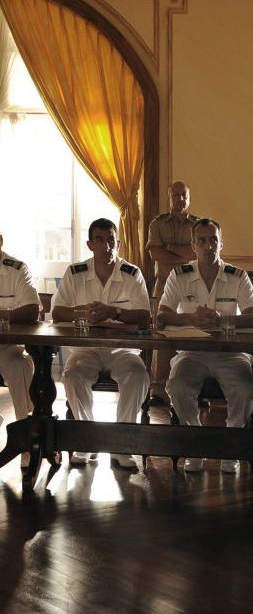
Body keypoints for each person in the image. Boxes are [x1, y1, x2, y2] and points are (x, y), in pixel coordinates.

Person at [158, 218, 253, 474]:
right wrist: (191, 319)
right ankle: (197, 443)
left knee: (246, 391)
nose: (208, 246)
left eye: (213, 240)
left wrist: (222, 320)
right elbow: (162, 315)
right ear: (193, 246)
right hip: (192, 352)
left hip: (230, 353)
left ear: (221, 243)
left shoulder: (238, 276)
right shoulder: (179, 275)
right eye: (202, 241)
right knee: (177, 387)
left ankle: (230, 447)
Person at [52, 218, 151, 469]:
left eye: (111, 240)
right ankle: (89, 440)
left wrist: (113, 312)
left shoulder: (132, 273)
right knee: (73, 374)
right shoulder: (75, 273)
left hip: (122, 349)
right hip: (86, 349)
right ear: (90, 244)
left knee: (137, 374)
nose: (106, 246)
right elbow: (57, 312)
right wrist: (83, 314)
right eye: (99, 240)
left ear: (118, 243)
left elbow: (144, 316)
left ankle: (122, 443)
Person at [146, 180, 200, 404]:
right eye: (175, 195)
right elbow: (155, 255)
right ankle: (158, 391)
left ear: (189, 198)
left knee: (193, 334)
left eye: (184, 195)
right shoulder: (157, 224)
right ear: (169, 197)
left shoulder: (198, 225)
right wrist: (183, 254)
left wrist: (169, 248)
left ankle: (194, 389)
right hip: (164, 285)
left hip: (192, 287)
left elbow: (197, 254)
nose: (180, 199)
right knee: (161, 336)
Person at [0, 233, 40, 467]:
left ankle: (26, 437)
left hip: (8, 345)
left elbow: (32, 310)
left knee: (19, 364)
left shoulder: (16, 269)